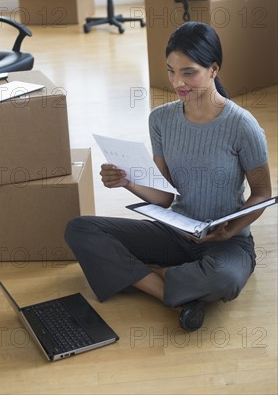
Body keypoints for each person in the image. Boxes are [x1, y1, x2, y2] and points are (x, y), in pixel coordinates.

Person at [65, 22, 272, 331]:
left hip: (225, 241)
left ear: (213, 69)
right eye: (171, 71)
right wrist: (127, 182)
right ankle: (172, 291)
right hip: (176, 231)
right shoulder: (161, 119)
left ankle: (144, 274)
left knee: (225, 279)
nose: (178, 82)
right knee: (81, 229)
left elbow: (261, 193)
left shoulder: (243, 125)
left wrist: (231, 230)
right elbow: (164, 197)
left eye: (188, 72)